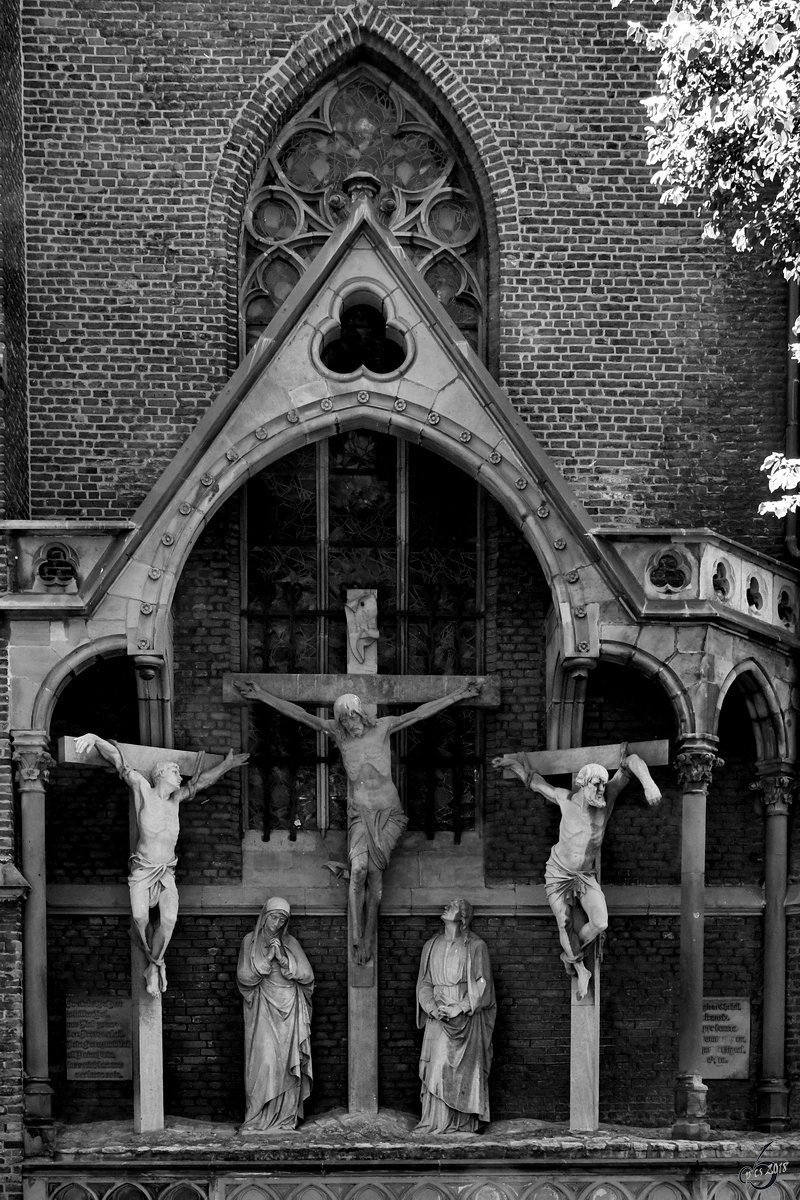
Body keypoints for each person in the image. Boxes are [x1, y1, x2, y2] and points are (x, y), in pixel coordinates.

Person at [235, 678, 481, 964]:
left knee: (375, 876)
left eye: (352, 717)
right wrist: (262, 693)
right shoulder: (339, 735)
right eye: (344, 720)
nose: (350, 724)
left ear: (361, 714)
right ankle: (355, 935)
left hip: (389, 814)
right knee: (359, 869)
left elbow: (419, 713)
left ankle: (367, 936)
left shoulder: (383, 727)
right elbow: (301, 715)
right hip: (360, 816)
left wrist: (460, 694)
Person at [74, 733, 248, 997]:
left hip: (166, 871)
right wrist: (95, 738)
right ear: (161, 775)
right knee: (140, 917)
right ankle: (153, 962)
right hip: (143, 870)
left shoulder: (176, 801)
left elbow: (202, 782)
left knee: (168, 919)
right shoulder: (143, 789)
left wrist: (227, 765)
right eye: (175, 772)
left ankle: (155, 965)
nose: (180, 777)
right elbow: (117, 760)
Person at [492, 751, 662, 998]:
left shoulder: (609, 797)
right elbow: (536, 784)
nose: (602, 788)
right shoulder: (566, 799)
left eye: (604, 783)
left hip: (584, 876)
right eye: (597, 784)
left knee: (600, 922)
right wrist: (513, 764)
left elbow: (632, 759)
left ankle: (570, 956)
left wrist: (649, 784)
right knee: (563, 922)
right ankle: (580, 967)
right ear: (583, 784)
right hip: (558, 873)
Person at [415, 897, 495, 1135]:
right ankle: (436, 1122)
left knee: (461, 1073)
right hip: (437, 1016)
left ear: (463, 916)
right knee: (435, 1068)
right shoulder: (431, 946)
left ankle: (460, 1123)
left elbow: (483, 984)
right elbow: (424, 982)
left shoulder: (476, 946)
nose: (445, 906)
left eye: (452, 905)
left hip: (464, 1020)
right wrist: (431, 1007)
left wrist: (459, 1007)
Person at [237, 896, 314, 1133]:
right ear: (264, 916)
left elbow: (307, 975)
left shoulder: (290, 943)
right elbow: (244, 976)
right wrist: (268, 958)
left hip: (289, 1008)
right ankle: (257, 1117)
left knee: (287, 1066)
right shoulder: (250, 942)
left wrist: (283, 959)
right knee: (265, 1063)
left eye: (283, 919)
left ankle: (284, 1119)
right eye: (274, 917)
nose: (278, 922)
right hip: (262, 1008)